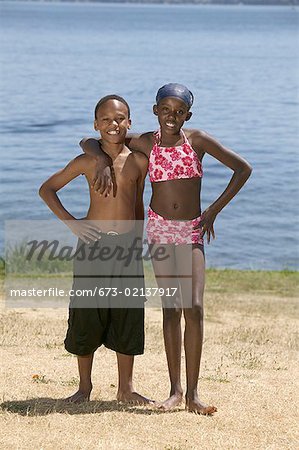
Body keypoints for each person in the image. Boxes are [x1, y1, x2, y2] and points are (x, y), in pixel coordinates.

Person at [80, 83, 252, 414]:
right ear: (156, 110)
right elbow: (92, 139)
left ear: (188, 115)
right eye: (166, 110)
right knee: (171, 308)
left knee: (195, 306)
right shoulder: (147, 141)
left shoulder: (197, 140)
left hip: (190, 230)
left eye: (179, 112)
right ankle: (175, 392)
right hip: (159, 230)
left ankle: (194, 394)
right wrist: (99, 158)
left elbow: (242, 168)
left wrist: (214, 210)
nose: (172, 117)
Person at [39, 94, 150, 404]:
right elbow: (47, 189)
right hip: (93, 248)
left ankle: (125, 389)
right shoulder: (88, 160)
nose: (113, 124)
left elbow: (138, 202)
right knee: (87, 313)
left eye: (119, 119)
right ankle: (84, 387)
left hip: (127, 249)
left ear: (129, 123)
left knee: (128, 315)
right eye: (106, 119)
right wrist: (73, 224)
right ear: (96, 124)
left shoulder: (139, 161)